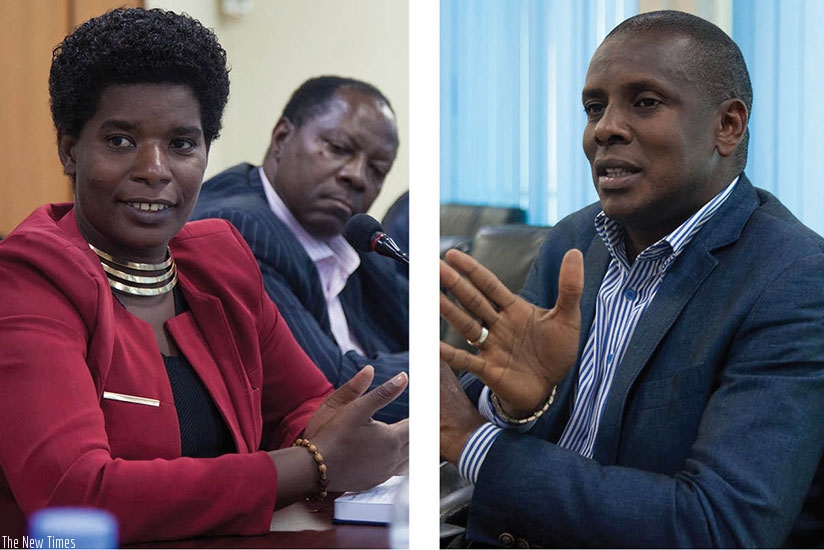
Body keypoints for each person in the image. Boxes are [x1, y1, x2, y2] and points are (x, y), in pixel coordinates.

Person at [0, 8, 408, 543]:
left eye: (182, 143)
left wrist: (330, 429)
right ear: (70, 149)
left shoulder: (218, 261)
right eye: (120, 140)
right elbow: (78, 494)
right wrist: (314, 463)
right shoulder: (28, 279)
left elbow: (301, 405)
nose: (155, 168)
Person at [439, 10, 824, 548]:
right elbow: (508, 388)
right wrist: (516, 408)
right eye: (594, 108)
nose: (605, 129)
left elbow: (719, 529)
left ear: (727, 126)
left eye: (645, 103)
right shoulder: (575, 240)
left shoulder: (795, 278)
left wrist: (472, 441)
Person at [191, 76, 408, 423]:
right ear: (281, 138)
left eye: (377, 169)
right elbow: (333, 391)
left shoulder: (354, 237)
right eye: (337, 148)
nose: (358, 177)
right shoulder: (236, 226)